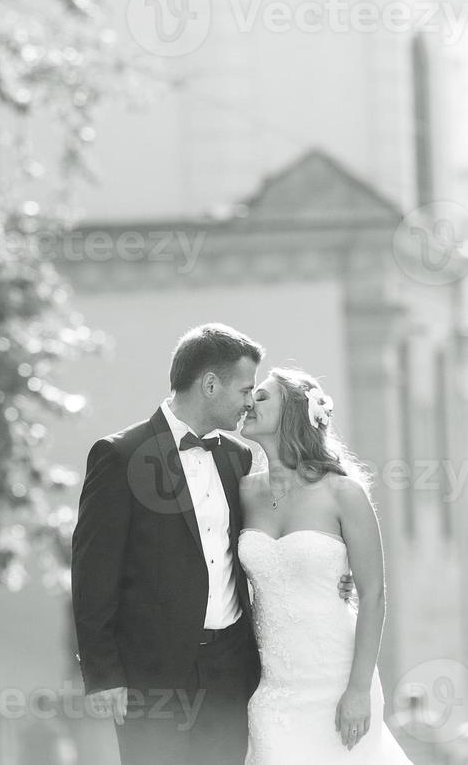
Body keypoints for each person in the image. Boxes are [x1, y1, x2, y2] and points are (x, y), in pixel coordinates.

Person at [70, 324, 352, 765]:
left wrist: (328, 575)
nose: (248, 402)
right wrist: (103, 674)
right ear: (209, 384)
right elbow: (92, 571)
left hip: (231, 671)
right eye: (245, 389)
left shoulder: (237, 458)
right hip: (152, 677)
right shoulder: (119, 456)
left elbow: (267, 542)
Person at [237, 366, 414, 763]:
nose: (250, 403)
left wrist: (357, 690)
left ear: (294, 413)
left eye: (262, 397)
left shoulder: (343, 493)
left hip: (337, 677)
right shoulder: (243, 492)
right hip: (271, 685)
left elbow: (373, 595)